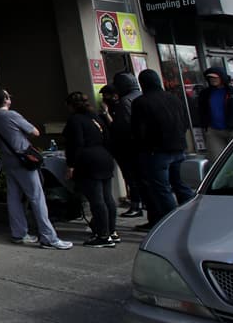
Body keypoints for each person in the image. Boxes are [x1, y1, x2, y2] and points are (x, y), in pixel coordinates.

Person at [0, 88, 73, 250]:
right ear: (5, 99)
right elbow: (35, 132)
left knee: (14, 197)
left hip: (8, 161)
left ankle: (18, 233)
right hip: (23, 160)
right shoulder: (12, 115)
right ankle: (48, 237)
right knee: (36, 197)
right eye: (8, 96)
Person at [130, 69, 192, 228]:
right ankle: (191, 217)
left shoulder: (141, 102)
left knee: (162, 190)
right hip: (178, 147)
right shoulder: (174, 98)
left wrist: (141, 147)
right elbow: (184, 121)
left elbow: (138, 130)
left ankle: (171, 224)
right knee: (181, 185)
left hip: (156, 151)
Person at [61, 92, 119, 247]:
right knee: (107, 198)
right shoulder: (95, 118)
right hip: (104, 157)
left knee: (97, 200)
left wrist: (71, 165)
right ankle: (112, 231)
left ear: (71, 106)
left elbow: (76, 143)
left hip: (89, 161)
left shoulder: (75, 120)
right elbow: (107, 138)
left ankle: (103, 235)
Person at [195, 67, 233, 157]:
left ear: (222, 77)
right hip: (213, 131)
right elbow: (201, 110)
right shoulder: (205, 93)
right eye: (210, 78)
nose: (212, 79)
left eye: (215, 77)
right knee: (217, 158)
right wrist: (205, 125)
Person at [109, 72, 144, 218]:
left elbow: (124, 127)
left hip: (129, 147)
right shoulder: (141, 96)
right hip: (144, 146)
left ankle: (136, 205)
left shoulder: (125, 101)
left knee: (132, 178)